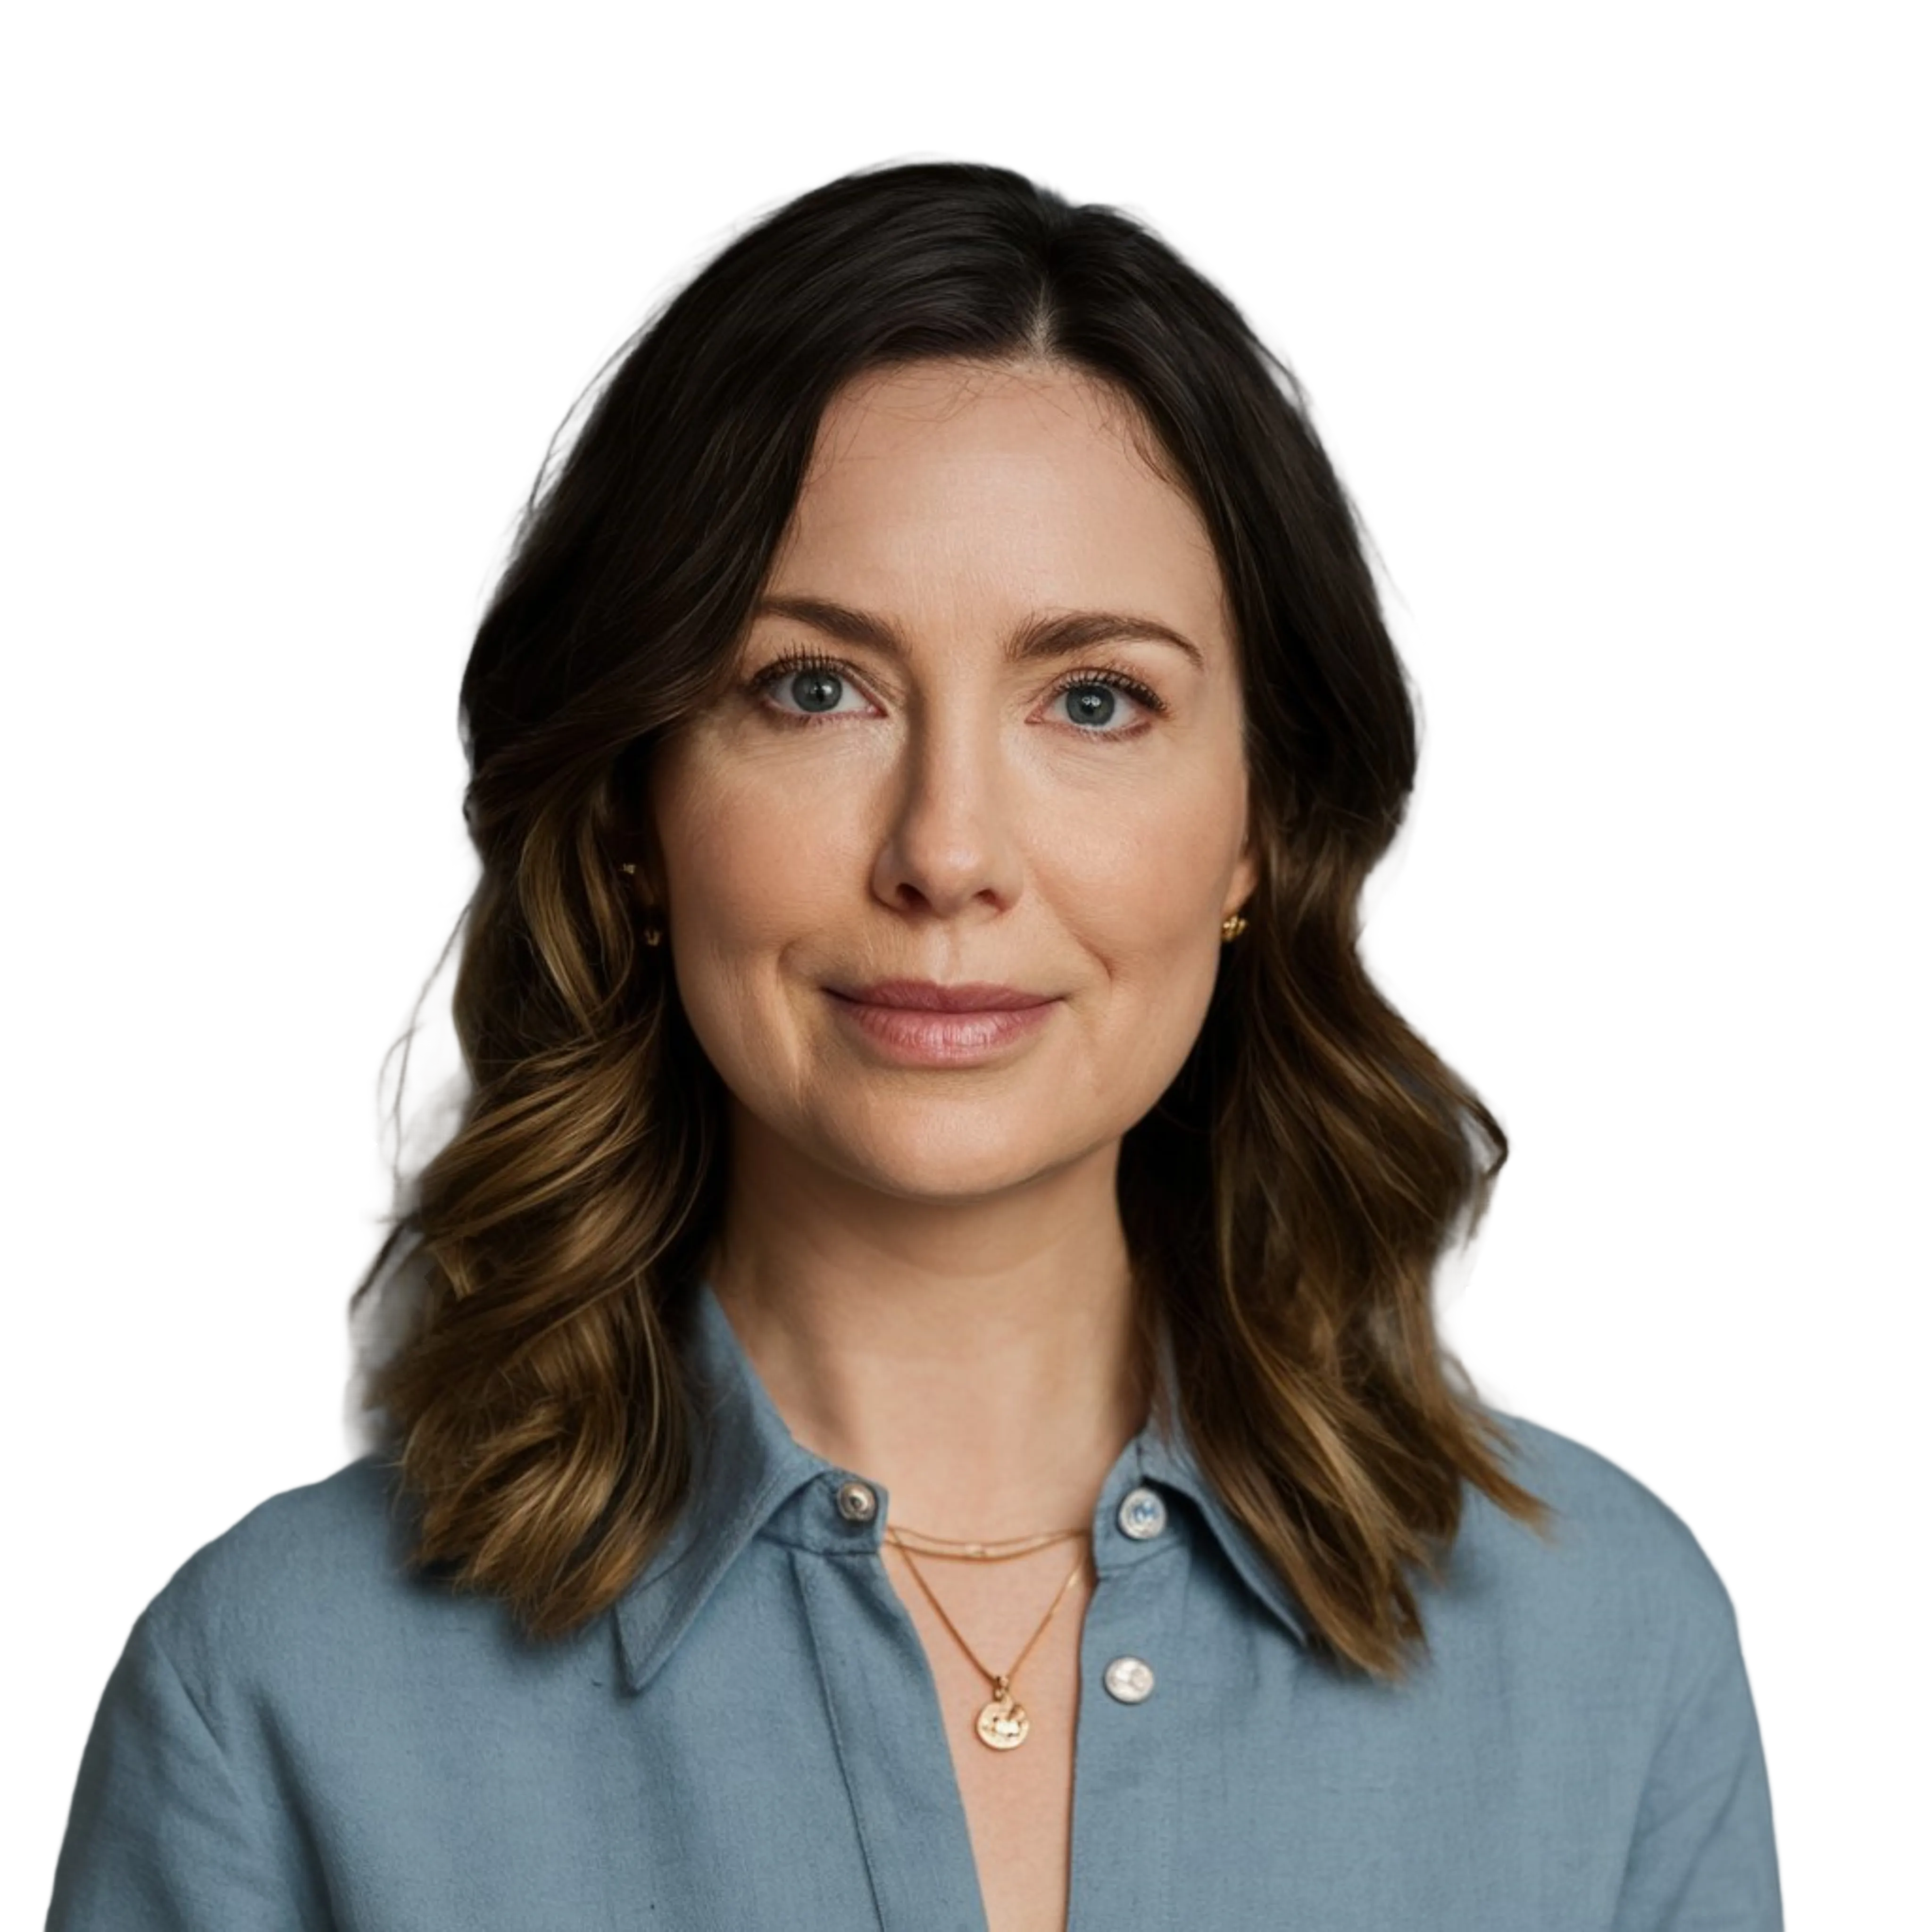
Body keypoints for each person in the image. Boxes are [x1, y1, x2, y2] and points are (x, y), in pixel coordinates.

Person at [44, 153, 1784, 1931]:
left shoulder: (1611, 1655)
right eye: (815, 688)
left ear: (1262, 828)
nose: (946, 855)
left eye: (1094, 699)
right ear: (638, 812)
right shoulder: (272, 1694)